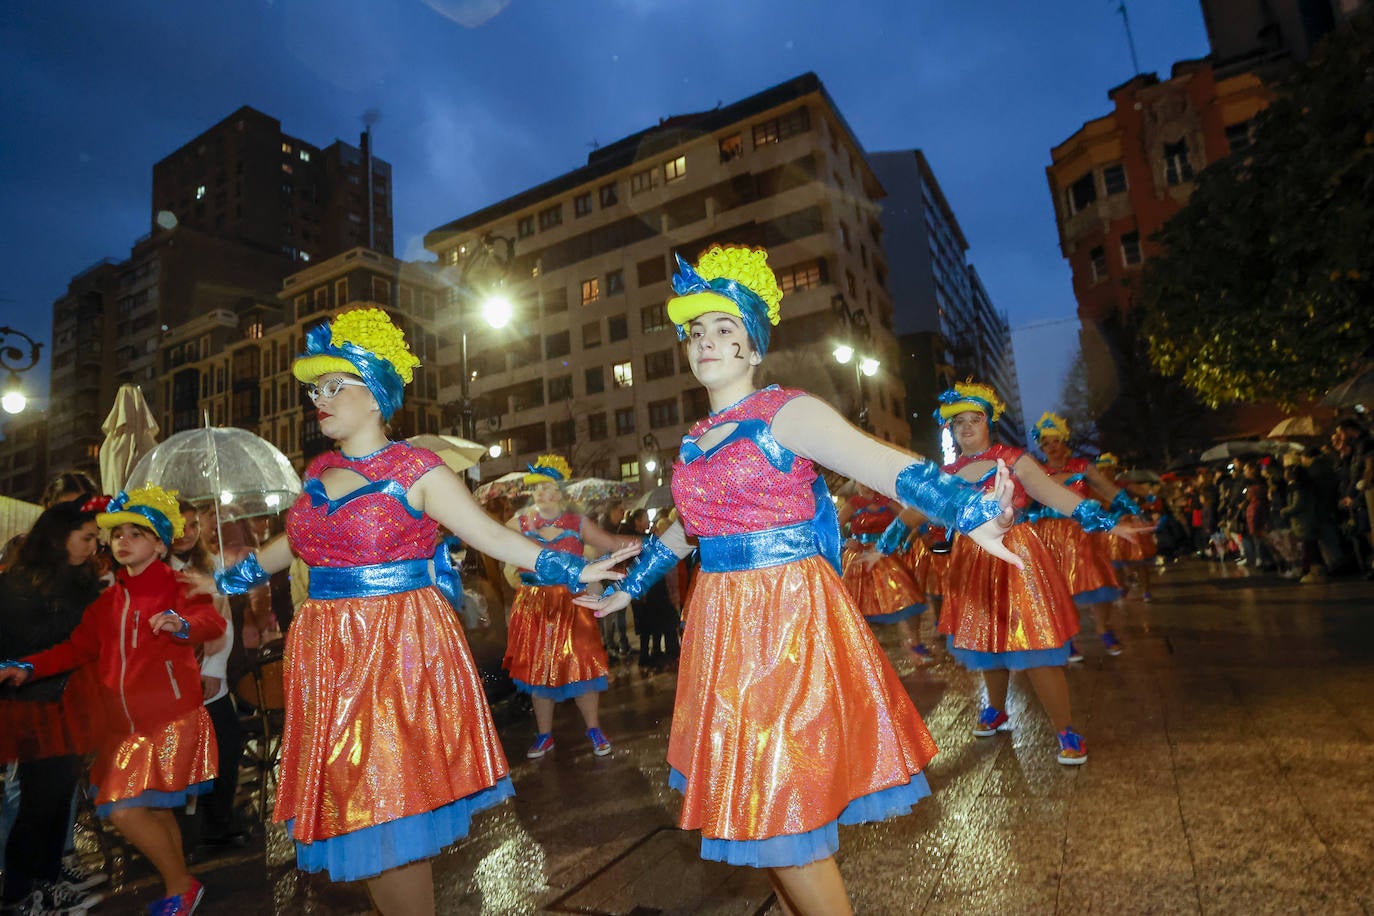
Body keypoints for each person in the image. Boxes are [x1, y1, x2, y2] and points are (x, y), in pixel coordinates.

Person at [579, 245, 1021, 916]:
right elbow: (685, 527)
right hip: (724, 621)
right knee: (761, 800)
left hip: (783, 617)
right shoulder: (699, 437)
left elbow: (879, 462)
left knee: (783, 812)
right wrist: (629, 585)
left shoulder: (784, 411)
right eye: (696, 333)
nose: (706, 342)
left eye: (724, 328)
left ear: (753, 343)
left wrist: (969, 509)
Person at [184, 308, 635, 916]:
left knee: (387, 809)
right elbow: (288, 546)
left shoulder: (418, 470)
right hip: (326, 658)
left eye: (334, 386)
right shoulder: (318, 473)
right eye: (314, 389)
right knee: (354, 809)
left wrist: (574, 567)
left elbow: (490, 537)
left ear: (376, 394)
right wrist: (221, 579)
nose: (319, 399)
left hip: (393, 651)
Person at [0, 486, 225, 916]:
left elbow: (210, 622)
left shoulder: (178, 584)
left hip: (168, 720)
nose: (122, 541)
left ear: (160, 544)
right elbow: (74, 650)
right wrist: (27, 668)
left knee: (123, 811)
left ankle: (181, 886)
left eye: (135, 533)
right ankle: (180, 891)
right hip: (122, 727)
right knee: (153, 812)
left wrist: (180, 624)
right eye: (117, 533)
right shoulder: (108, 600)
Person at [931, 383, 1146, 768]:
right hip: (971, 562)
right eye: (957, 422)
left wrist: (1109, 524)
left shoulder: (1013, 459)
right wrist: (882, 545)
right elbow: (915, 511)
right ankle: (996, 709)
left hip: (1016, 557)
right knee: (985, 641)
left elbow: (1055, 494)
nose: (965, 428)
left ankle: (1064, 728)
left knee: (1034, 645)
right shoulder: (944, 474)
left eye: (973, 420)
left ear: (988, 422)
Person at [0, 501, 107, 916]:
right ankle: (18, 893)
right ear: (58, 537)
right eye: (86, 538)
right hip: (33, 707)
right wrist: (87, 617)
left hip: (71, 703)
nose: (93, 547)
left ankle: (48, 880)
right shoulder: (16, 585)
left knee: (61, 798)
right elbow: (33, 641)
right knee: (37, 802)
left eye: (96, 539)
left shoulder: (78, 581)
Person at [503, 454, 635, 759]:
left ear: (560, 492)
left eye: (549, 488)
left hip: (572, 604)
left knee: (584, 668)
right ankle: (544, 735)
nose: (542, 494)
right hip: (533, 605)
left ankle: (593, 728)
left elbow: (611, 542)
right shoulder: (519, 522)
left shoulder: (578, 522)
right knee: (538, 673)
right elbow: (487, 540)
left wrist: (653, 544)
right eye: (538, 488)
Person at [169, 500, 246, 852]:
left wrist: (214, 670)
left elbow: (225, 620)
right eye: (177, 525)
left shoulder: (211, 565)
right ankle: (182, 833)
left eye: (192, 525)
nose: (186, 533)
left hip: (211, 673)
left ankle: (218, 822)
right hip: (172, 678)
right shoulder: (154, 569)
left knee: (227, 745)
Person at [1028, 416, 1127, 660]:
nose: (1052, 447)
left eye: (1055, 441)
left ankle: (1104, 628)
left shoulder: (1081, 468)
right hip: (1051, 534)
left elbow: (1101, 493)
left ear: (1064, 442)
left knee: (1097, 581)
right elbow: (1030, 502)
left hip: (1082, 532)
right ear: (1041, 448)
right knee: (1060, 587)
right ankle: (1070, 639)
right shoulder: (1038, 472)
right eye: (1046, 443)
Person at [837, 482, 932, 661]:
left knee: (909, 596)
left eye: (869, 481)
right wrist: (845, 542)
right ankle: (860, 650)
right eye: (861, 481)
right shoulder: (853, 504)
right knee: (858, 605)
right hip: (858, 560)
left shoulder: (888, 502)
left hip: (884, 556)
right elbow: (833, 528)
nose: (867, 486)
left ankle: (916, 642)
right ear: (855, 483)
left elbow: (910, 519)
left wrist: (921, 533)